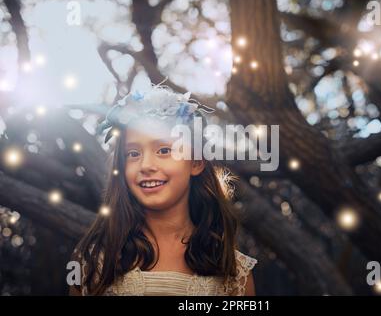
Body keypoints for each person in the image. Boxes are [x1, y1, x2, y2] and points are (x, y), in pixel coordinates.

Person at [69, 85, 257, 296]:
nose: (146, 165)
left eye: (164, 150)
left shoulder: (234, 271)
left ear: (195, 162)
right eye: (133, 154)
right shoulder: (94, 260)